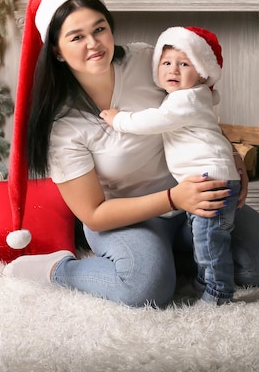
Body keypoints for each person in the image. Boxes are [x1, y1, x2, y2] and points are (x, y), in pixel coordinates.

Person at [3, 0, 259, 308]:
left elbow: (193, 109)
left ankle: (172, 261)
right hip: (126, 217)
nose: (94, 44)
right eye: (77, 37)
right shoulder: (61, 126)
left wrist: (229, 154)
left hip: (192, 196)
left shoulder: (147, 60)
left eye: (99, 29)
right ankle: (60, 270)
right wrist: (174, 198)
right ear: (56, 50)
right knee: (146, 290)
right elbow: (94, 214)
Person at [100, 26, 240, 305]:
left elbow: (153, 121)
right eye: (166, 63)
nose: (173, 70)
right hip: (207, 178)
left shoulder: (186, 99)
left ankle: (218, 294)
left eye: (184, 64)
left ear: (202, 73)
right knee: (205, 238)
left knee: (210, 242)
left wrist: (118, 120)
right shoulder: (188, 97)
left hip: (208, 180)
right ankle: (204, 281)